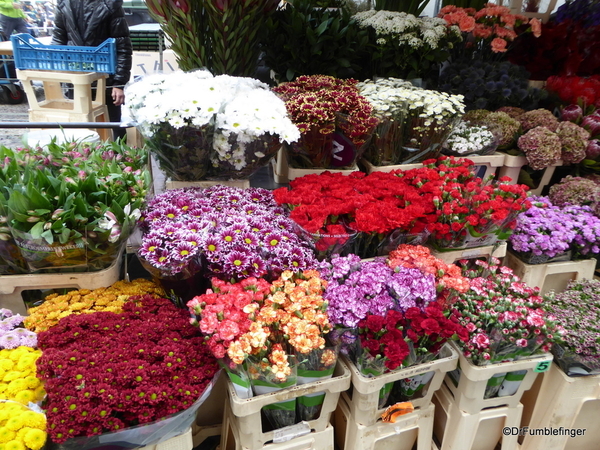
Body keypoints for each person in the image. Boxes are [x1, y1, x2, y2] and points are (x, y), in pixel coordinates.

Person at [51, 0, 132, 140]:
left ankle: (120, 158)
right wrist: (55, 70)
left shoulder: (110, 4)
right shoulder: (64, 4)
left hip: (106, 78)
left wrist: (119, 83)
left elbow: (122, 46)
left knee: (114, 126)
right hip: (75, 77)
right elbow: (59, 37)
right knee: (79, 127)